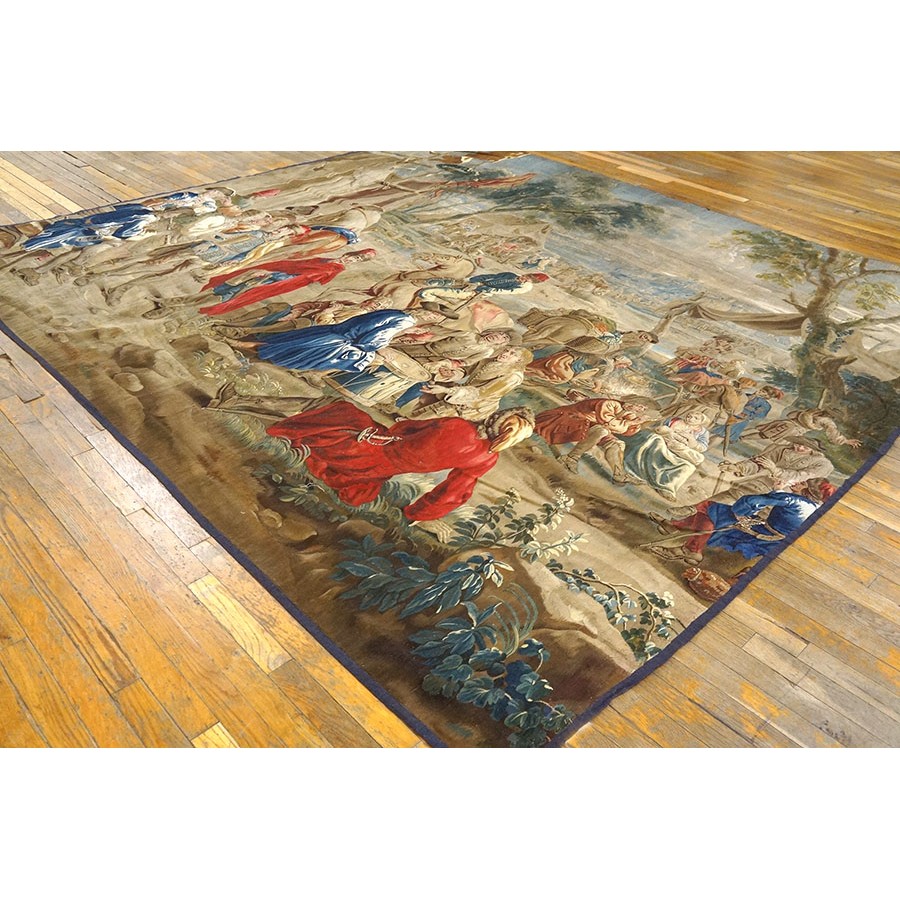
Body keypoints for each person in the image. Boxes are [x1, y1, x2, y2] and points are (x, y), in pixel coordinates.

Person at [265, 403, 535, 520]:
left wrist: (397, 437)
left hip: (372, 451)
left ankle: (284, 429)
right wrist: (417, 513)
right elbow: (455, 491)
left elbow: (406, 429)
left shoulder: (458, 425)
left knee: (345, 412)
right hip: (384, 470)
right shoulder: (487, 458)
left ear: (497, 418)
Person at [646, 478, 836, 564]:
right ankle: (674, 527)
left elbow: (752, 501)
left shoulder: (793, 500)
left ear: (807, 491)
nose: (797, 483)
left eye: (802, 483)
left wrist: (739, 514)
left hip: (760, 535)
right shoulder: (814, 509)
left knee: (711, 508)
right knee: (714, 511)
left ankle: (691, 550)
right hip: (775, 540)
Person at [227, 308, 414, 373]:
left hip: (331, 332)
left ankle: (242, 347)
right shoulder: (403, 321)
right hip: (337, 343)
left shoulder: (394, 313)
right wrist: (379, 349)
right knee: (288, 351)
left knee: (286, 345)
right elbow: (369, 341)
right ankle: (242, 347)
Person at [198, 248, 375, 315]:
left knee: (244, 289)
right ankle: (209, 294)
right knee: (238, 279)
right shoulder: (329, 260)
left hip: (280, 279)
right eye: (355, 256)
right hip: (281, 271)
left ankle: (210, 304)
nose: (352, 259)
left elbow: (303, 277)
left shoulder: (332, 269)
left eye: (357, 260)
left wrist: (273, 274)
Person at [534, 393, 658, 477]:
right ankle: (571, 458)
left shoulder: (628, 413)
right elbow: (608, 422)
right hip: (568, 418)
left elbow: (626, 432)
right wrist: (630, 422)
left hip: (590, 425)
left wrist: (638, 423)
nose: (639, 409)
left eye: (643, 409)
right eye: (639, 405)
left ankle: (619, 475)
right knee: (602, 431)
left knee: (617, 443)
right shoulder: (609, 403)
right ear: (632, 401)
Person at [621, 411, 712, 501]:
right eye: (689, 416)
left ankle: (666, 488)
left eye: (696, 418)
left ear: (701, 421)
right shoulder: (675, 421)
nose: (691, 419)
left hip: (680, 450)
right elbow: (658, 429)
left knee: (689, 467)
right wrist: (667, 433)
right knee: (657, 441)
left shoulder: (702, 432)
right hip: (665, 442)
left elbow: (702, 447)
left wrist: (690, 439)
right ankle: (637, 470)